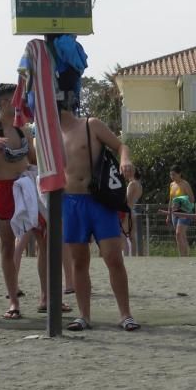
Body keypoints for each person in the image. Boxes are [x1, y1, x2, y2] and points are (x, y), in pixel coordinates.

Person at [0, 83, 67, 319]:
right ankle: (13, 301)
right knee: (7, 243)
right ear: (5, 103)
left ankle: (46, 297)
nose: (22, 103)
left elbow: (33, 159)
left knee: (45, 240)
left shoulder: (23, 129)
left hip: (28, 186)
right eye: (18, 99)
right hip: (5, 189)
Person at [58, 101, 139, 332]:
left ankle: (125, 314)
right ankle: (84, 315)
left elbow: (121, 146)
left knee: (113, 257)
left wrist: (125, 160)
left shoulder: (90, 125)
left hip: (99, 200)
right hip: (71, 202)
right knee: (79, 261)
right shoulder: (48, 135)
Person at [168, 165, 195, 257]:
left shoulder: (185, 184)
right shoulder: (172, 184)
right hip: (174, 213)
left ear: (180, 174)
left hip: (184, 211)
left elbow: (192, 199)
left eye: (174, 174)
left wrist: (181, 201)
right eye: (171, 175)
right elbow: (171, 200)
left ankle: (184, 256)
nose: (172, 177)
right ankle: (183, 255)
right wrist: (169, 214)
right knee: (180, 235)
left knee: (179, 233)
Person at [125, 167, 144, 256]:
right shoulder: (139, 185)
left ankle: (126, 255)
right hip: (133, 210)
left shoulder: (132, 184)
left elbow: (127, 199)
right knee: (132, 236)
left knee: (123, 235)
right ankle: (133, 256)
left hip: (126, 211)